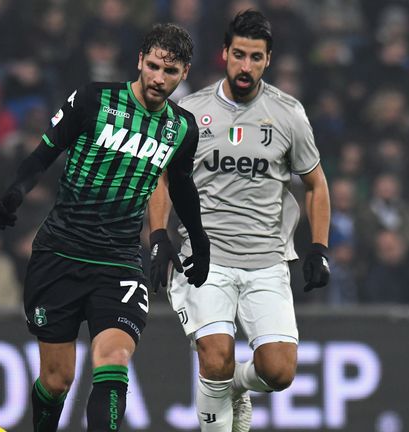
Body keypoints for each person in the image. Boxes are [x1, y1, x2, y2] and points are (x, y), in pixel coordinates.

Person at [0, 23, 211, 432]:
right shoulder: (94, 98)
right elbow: (46, 152)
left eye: (171, 71)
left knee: (113, 359)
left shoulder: (182, 128)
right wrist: (16, 193)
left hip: (120, 260)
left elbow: (180, 185)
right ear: (139, 61)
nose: (159, 79)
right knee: (57, 381)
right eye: (153, 67)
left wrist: (199, 242)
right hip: (60, 253)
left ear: (184, 73)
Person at [148, 10, 331, 432]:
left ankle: (237, 387)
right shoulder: (190, 112)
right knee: (215, 357)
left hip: (266, 260)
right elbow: (159, 176)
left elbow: (316, 185)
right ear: (224, 55)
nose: (245, 66)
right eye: (239, 55)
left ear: (268, 60)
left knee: (280, 373)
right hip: (204, 258)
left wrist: (319, 248)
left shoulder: (288, 114)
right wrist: (158, 234)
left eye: (255, 58)